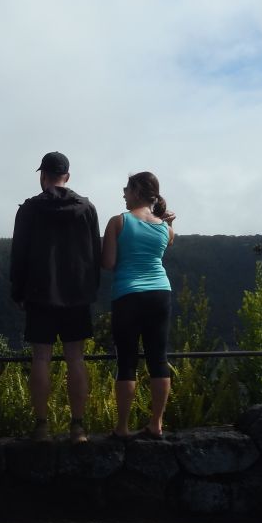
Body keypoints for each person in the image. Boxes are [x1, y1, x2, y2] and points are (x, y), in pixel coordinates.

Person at [10, 151, 101, 443]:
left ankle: (41, 426)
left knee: (41, 358)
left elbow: (19, 254)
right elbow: (95, 254)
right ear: (67, 176)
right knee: (76, 358)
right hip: (77, 295)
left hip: (40, 293)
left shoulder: (29, 209)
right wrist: (90, 289)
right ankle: (78, 427)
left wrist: (18, 292)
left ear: (43, 176)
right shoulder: (86, 208)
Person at [100, 171, 175, 438]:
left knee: (127, 362)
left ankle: (122, 427)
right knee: (158, 358)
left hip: (128, 294)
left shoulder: (118, 222)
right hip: (160, 293)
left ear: (136, 192)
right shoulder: (166, 228)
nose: (123, 193)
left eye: (127, 188)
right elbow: (165, 241)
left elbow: (108, 263)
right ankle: (156, 424)